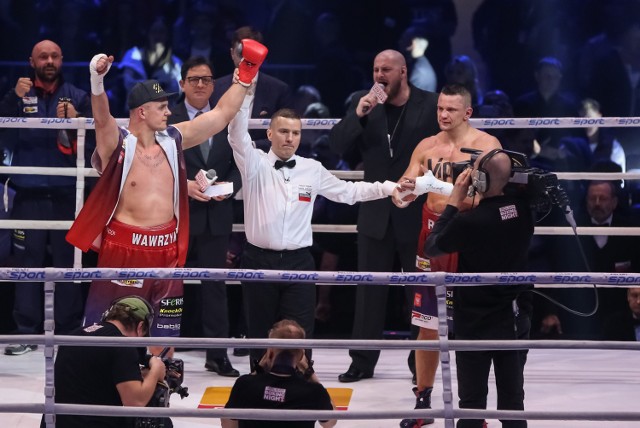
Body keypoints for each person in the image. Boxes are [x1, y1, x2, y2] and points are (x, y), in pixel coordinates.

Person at [65, 40, 268, 356]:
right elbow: (102, 118)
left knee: (164, 335)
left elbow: (221, 115)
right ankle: (107, 389)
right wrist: (96, 79)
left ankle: (159, 388)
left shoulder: (173, 139)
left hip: (167, 249)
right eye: (162, 107)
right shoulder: (118, 145)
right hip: (125, 248)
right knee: (110, 332)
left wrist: (245, 73)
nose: (169, 111)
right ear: (142, 112)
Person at [227, 97, 401, 366]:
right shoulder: (254, 163)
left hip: (299, 262)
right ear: (270, 134)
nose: (290, 138)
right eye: (284, 132)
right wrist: (246, 91)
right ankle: (259, 391)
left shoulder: (311, 169)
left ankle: (302, 391)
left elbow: (349, 192)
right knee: (259, 333)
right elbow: (237, 134)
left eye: (295, 133)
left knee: (301, 335)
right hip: (259, 260)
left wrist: (389, 188)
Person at [328, 49, 440, 384]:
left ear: (402, 71)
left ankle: (417, 362)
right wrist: (359, 114)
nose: (380, 75)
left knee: (418, 294)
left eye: (386, 69)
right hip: (376, 212)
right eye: (376, 69)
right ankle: (361, 361)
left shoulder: (431, 103)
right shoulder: (364, 105)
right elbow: (337, 145)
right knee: (368, 293)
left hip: (417, 213)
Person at [394, 84, 501, 428]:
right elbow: (404, 190)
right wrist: (405, 192)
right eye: (440, 108)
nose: (442, 115)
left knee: (472, 327)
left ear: (467, 112)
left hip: (472, 238)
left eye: (451, 110)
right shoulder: (427, 147)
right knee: (427, 326)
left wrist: (440, 189)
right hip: (433, 238)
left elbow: (492, 198)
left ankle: (473, 409)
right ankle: (422, 401)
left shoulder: (487, 147)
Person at [424, 149, 534, 428]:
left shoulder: (470, 221)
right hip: (515, 315)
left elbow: (432, 246)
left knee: (471, 405)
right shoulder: (523, 211)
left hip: (474, 319)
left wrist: (453, 202)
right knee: (513, 403)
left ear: (481, 180)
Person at [0, 40, 91, 356]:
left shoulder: (78, 97)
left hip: (67, 197)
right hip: (28, 195)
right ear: (32, 61)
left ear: (62, 59)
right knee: (28, 263)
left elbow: (98, 148)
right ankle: (26, 331)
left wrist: (80, 121)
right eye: (43, 56)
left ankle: (67, 332)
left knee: (69, 265)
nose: (49, 60)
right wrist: (13, 98)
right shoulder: (17, 94)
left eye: (54, 56)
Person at [167, 56, 240, 377]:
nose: (200, 85)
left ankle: (217, 354)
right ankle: (163, 350)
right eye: (194, 79)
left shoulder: (227, 115)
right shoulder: (167, 115)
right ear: (181, 83)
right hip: (176, 213)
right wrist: (182, 186)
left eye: (207, 80)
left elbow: (241, 159)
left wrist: (231, 186)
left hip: (217, 212)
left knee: (215, 285)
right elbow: (154, 159)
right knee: (168, 284)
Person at [40, 296, 166, 428]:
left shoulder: (75, 334)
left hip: (54, 423)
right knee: (161, 423)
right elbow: (136, 402)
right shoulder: (123, 346)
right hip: (93, 423)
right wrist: (156, 369)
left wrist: (142, 363)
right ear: (140, 327)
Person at [221, 319, 336, 428]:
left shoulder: (245, 385)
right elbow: (330, 423)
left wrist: (258, 369)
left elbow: (227, 425)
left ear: (269, 352)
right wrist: (309, 373)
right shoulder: (314, 391)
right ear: (301, 355)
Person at [211, 26, 292, 152]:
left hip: (263, 160)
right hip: (222, 163)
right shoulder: (215, 88)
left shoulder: (278, 90)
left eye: (251, 55)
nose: (245, 61)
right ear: (232, 53)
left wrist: (250, 147)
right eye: (241, 54)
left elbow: (286, 133)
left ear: (261, 56)